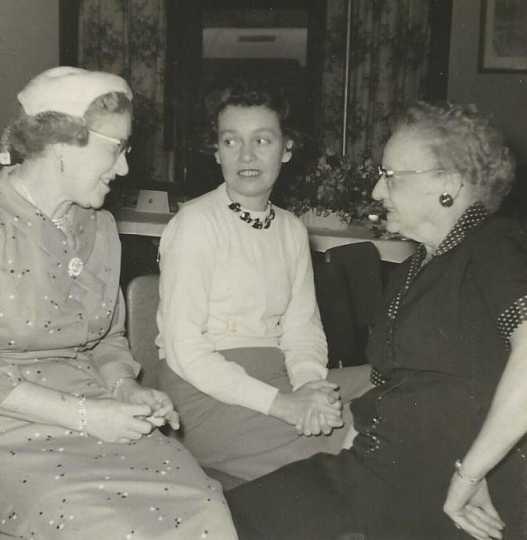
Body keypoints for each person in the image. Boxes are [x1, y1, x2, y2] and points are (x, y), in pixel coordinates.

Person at [224, 102, 527, 540]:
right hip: (378, 471)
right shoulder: (415, 265)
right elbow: (391, 387)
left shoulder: (493, 246)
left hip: (448, 490)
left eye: (391, 176)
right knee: (222, 514)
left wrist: (469, 476)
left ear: (448, 184)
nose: (376, 192)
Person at [0, 66, 237, 540]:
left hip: (96, 408)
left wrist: (125, 388)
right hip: (12, 424)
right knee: (101, 523)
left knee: (206, 506)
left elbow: (106, 338)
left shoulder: (101, 227)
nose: (125, 168)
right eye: (116, 148)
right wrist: (89, 416)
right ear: (61, 141)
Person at [156, 78, 371, 482]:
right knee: (371, 441)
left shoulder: (291, 229)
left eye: (263, 140)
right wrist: (285, 406)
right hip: (207, 394)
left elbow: (302, 327)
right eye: (231, 141)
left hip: (282, 379)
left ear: (287, 149)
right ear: (216, 151)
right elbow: (185, 351)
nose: (246, 155)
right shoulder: (196, 224)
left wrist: (311, 390)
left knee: (394, 386)